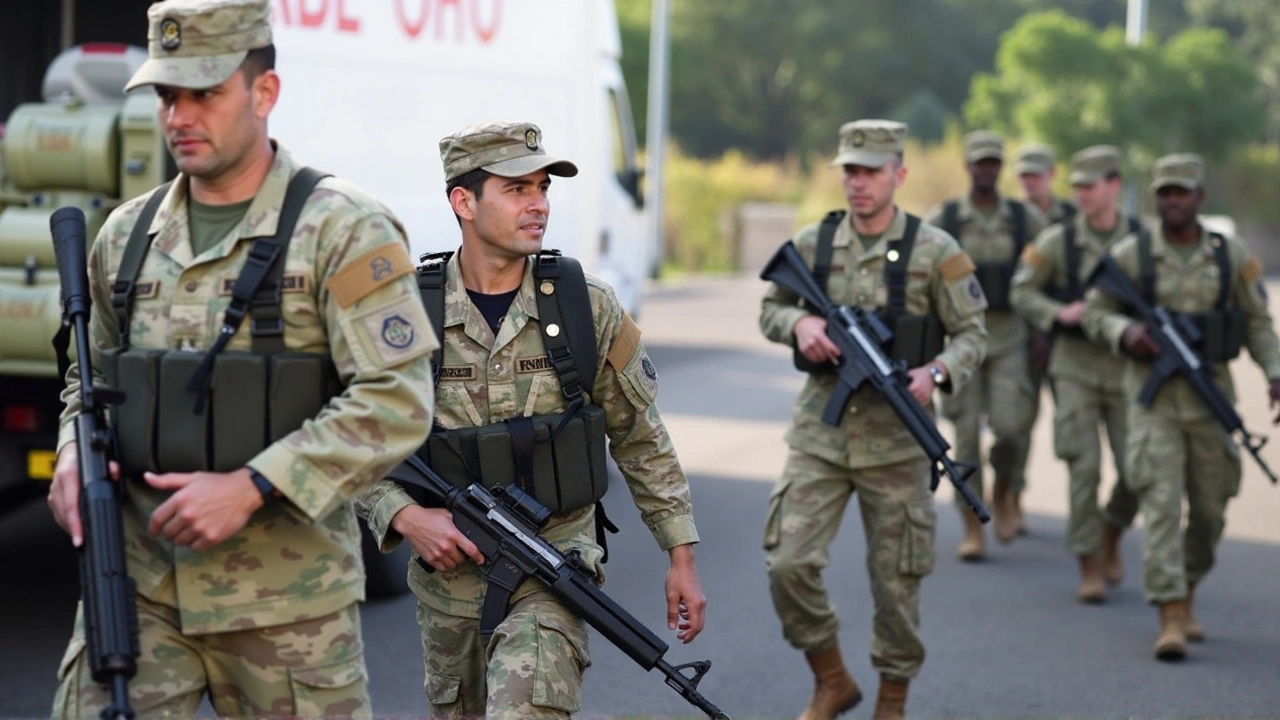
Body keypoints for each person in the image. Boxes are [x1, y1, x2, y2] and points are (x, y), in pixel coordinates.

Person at [44, 0, 438, 717]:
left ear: (264, 93)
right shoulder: (124, 237)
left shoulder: (342, 229)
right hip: (134, 593)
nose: (179, 116)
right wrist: (74, 450)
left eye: (205, 92)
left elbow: (396, 400)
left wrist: (253, 485)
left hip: (288, 611)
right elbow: (88, 381)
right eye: (167, 95)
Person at [355, 121, 707, 719]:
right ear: (463, 202)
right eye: (516, 189)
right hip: (450, 586)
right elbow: (354, 437)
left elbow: (639, 435)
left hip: (555, 566)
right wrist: (405, 515)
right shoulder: (406, 313)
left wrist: (681, 558)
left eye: (542, 187)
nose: (538, 204)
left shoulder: (582, 305)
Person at [760, 119, 988, 720]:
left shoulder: (937, 251)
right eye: (850, 171)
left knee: (896, 587)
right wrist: (800, 324)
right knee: (788, 563)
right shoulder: (815, 243)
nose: (857, 183)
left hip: (898, 444)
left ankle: (892, 702)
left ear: (899, 175)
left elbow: (972, 334)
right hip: (821, 435)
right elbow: (772, 306)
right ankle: (831, 679)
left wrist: (934, 373)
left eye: (870, 172)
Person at [1082, 153, 1280, 660]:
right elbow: (1096, 311)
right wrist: (1125, 331)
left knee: (1211, 512)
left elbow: (1257, 322)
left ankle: (1188, 589)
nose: (1172, 200)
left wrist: (1275, 373)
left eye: (1181, 192)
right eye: (1164, 192)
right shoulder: (1133, 254)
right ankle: (1169, 613)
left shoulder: (1230, 255)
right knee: (1162, 505)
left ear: (1199, 197)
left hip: (1211, 400)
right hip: (1154, 403)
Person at [1010, 145, 1142, 603]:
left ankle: (1111, 533)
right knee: (1082, 467)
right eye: (1078, 187)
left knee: (1137, 471)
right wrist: (1058, 313)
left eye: (1091, 185)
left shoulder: (1144, 241)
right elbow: (1021, 290)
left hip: (1130, 373)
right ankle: (1088, 561)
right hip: (1075, 369)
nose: (1082, 194)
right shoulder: (1058, 241)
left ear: (1114, 185)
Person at [924, 130, 1046, 557]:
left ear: (1000, 167)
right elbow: (923, 272)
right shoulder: (947, 218)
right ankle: (972, 524)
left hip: (1010, 336)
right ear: (968, 166)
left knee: (1012, 428)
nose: (987, 169)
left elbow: (1045, 268)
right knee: (967, 434)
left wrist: (1044, 328)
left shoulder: (1023, 217)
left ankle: (1007, 488)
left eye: (994, 162)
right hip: (960, 341)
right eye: (980, 162)